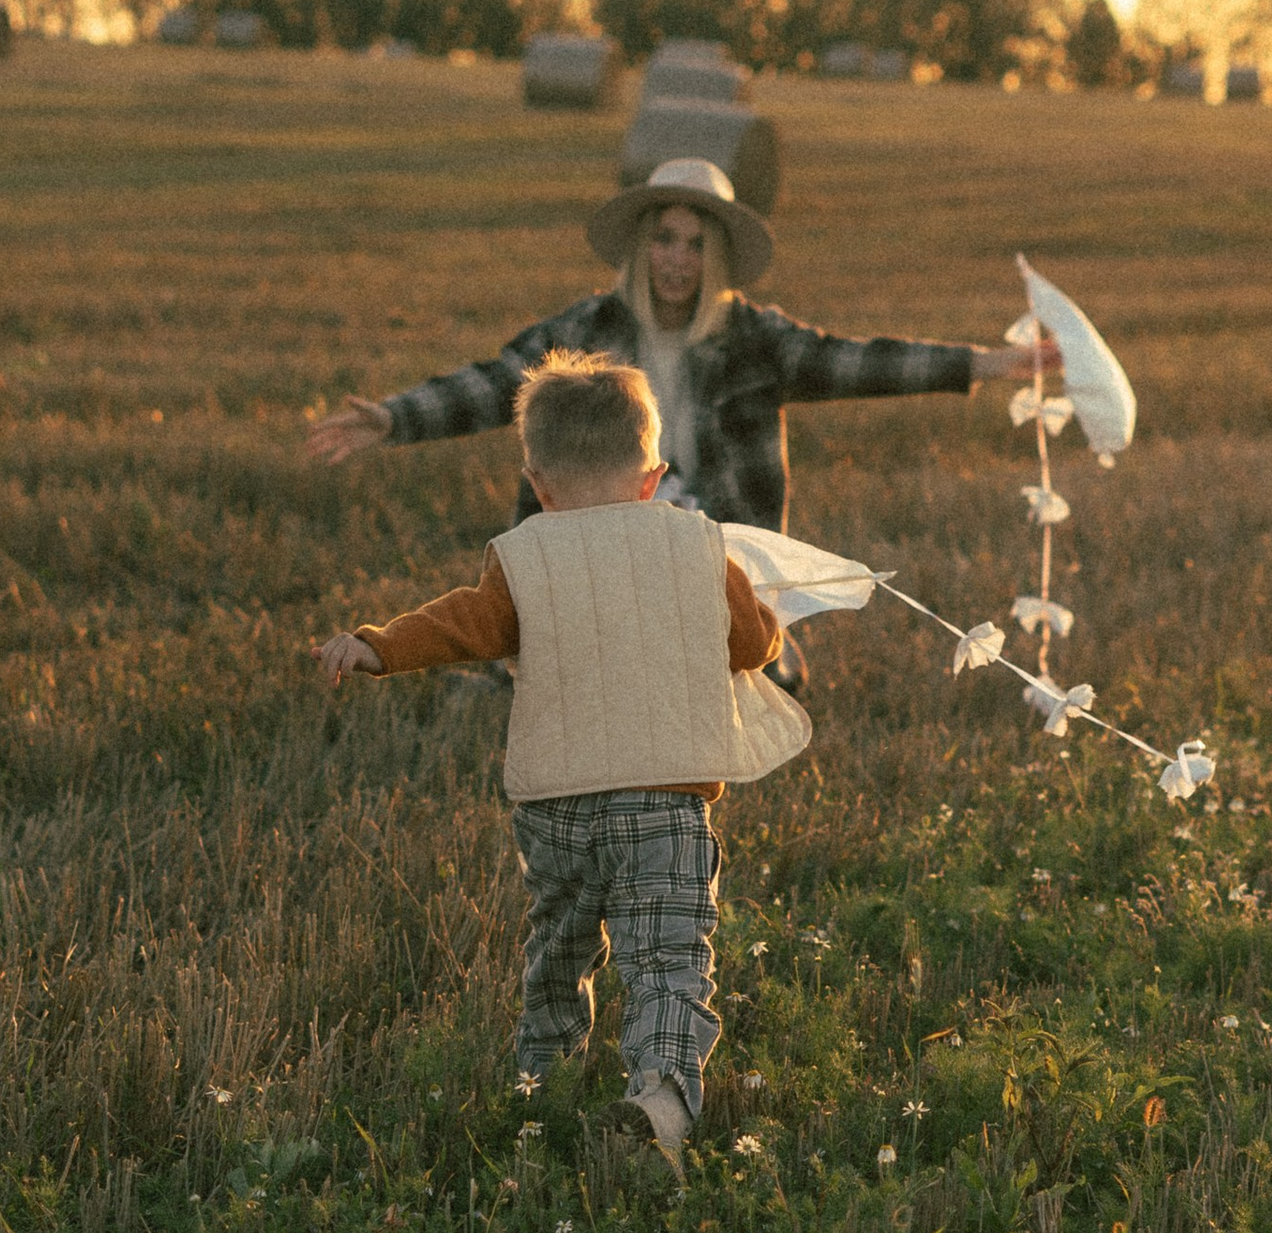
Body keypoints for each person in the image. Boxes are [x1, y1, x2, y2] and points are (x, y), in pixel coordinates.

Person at [314, 351, 790, 1175]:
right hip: (665, 797)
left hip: (557, 806)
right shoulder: (696, 544)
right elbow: (752, 646)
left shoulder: (521, 553)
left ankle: (539, 1081)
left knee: (561, 949)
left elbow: (464, 624)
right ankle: (661, 1099)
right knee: (666, 957)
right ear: (654, 478)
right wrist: (767, 615)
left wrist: (377, 645)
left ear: (538, 481)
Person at [303, 152, 1054, 546]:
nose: (676, 259)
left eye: (696, 245)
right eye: (663, 239)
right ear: (641, 246)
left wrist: (989, 363)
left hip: (716, 543)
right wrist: (394, 419)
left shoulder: (754, 339)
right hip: (601, 536)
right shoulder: (589, 330)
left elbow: (859, 361)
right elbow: (498, 381)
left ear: (716, 258)